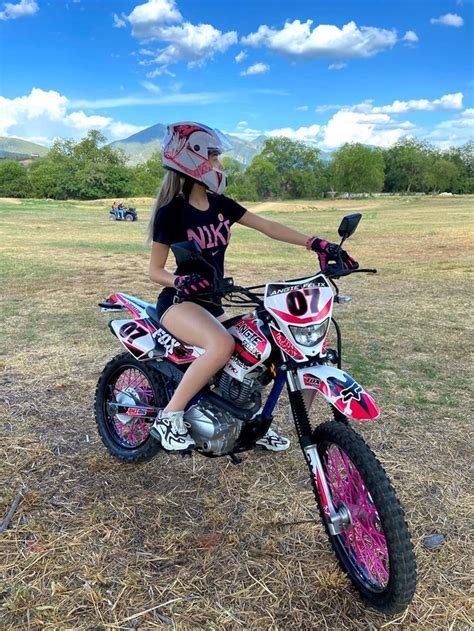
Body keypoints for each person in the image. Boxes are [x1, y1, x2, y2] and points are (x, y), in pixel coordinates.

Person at [148, 122, 358, 451]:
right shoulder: (171, 214)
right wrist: (181, 280)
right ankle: (169, 417)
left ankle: (253, 423)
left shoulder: (221, 205)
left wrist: (317, 243)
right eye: (214, 157)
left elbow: (268, 226)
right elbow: (154, 271)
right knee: (220, 345)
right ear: (192, 159)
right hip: (179, 303)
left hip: (213, 304)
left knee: (270, 347)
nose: (219, 164)